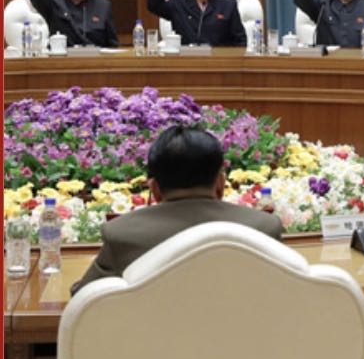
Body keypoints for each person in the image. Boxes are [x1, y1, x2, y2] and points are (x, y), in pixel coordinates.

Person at [71, 126, 283, 295]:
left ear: (154, 189)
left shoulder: (123, 234)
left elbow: (85, 300)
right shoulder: (263, 228)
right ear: (220, 183)